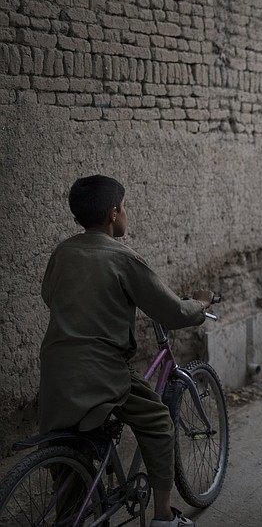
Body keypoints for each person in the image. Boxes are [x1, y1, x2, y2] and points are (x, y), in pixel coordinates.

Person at [39, 175, 213, 527]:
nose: (126, 214)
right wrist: (199, 305)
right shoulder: (122, 257)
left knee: (68, 449)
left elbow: (48, 295)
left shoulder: (63, 251)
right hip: (101, 369)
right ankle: (164, 517)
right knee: (160, 421)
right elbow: (172, 311)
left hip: (56, 369)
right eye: (126, 207)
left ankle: (70, 517)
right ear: (114, 213)